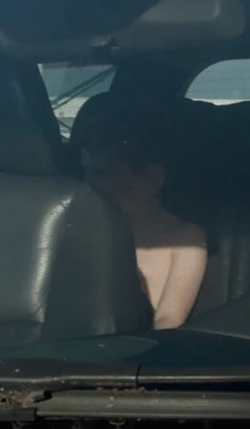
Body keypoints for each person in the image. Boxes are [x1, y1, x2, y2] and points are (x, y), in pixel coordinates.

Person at [73, 93, 207, 328]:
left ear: (153, 178)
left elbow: (169, 320)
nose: (88, 184)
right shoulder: (76, 228)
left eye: (103, 174)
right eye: (86, 172)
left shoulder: (184, 239)